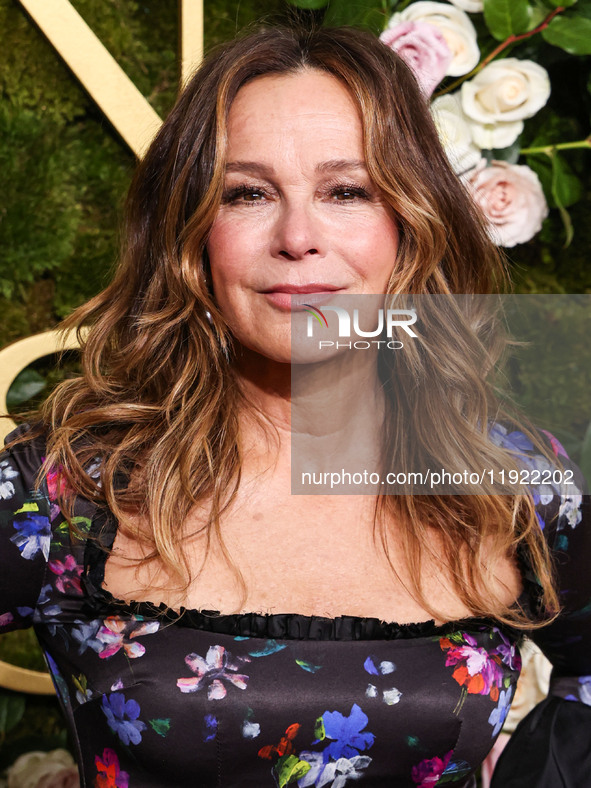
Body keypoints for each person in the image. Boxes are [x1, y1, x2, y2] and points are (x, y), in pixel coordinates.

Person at [0, 23, 589, 788]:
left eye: (346, 191)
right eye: (247, 193)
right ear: (191, 236)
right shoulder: (72, 490)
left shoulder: (513, 478)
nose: (297, 237)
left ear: (412, 224)